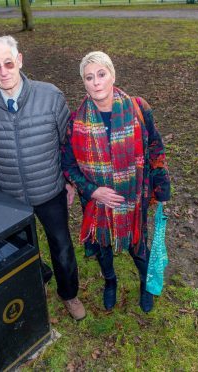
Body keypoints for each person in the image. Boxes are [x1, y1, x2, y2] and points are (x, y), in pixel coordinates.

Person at [0, 35, 86, 321]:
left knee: (61, 247)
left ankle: (69, 294)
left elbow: (68, 144)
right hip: (9, 195)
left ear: (19, 60)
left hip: (49, 191)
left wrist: (70, 182)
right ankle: (38, 276)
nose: (4, 71)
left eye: (9, 63)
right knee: (19, 249)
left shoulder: (50, 96)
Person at [61, 51, 171, 313]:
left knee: (138, 246)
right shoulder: (76, 121)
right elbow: (68, 165)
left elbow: (155, 146)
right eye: (89, 77)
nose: (96, 82)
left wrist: (162, 186)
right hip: (97, 203)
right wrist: (92, 191)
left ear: (112, 75)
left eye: (102, 74)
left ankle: (145, 285)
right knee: (103, 246)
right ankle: (110, 281)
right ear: (84, 83)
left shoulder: (138, 108)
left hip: (134, 198)